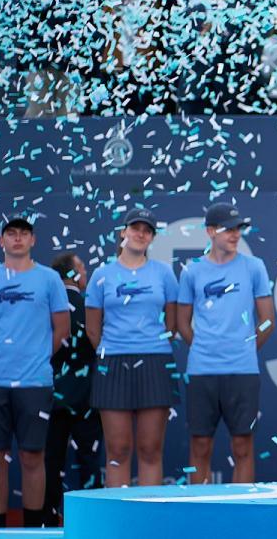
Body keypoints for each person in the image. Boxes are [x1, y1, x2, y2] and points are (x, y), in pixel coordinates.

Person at [176, 202, 275, 484]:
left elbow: (268, 320)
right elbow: (182, 323)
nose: (234, 235)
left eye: (238, 229)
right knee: (200, 446)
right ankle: (197, 513)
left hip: (243, 371)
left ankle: (242, 515)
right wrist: (204, 346)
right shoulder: (192, 271)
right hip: (202, 370)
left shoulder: (254, 267)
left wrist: (245, 347)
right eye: (227, 229)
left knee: (243, 446)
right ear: (210, 231)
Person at [85, 208, 178, 489]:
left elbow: (171, 325)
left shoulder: (164, 273)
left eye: (147, 230)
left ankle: (148, 522)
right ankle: (119, 524)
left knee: (150, 449)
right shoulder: (102, 275)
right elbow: (92, 329)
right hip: (112, 362)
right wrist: (113, 350)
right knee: (117, 451)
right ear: (123, 232)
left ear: (152, 237)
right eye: (135, 228)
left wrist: (146, 344)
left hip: (156, 361)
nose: (140, 234)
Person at [0, 217, 69, 528]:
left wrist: (36, 357)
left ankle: (33, 529)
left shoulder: (49, 279)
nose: (18, 239)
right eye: (11, 234)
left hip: (35, 382)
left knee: (32, 457)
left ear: (33, 241)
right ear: (2, 242)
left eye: (24, 233)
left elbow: (62, 328)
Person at [43, 252, 100, 524]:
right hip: (87, 395)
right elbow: (96, 343)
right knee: (89, 459)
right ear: (74, 274)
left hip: (51, 395)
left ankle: (46, 522)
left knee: (51, 461)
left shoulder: (45, 305)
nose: (87, 273)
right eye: (83, 268)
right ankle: (94, 522)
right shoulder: (91, 305)